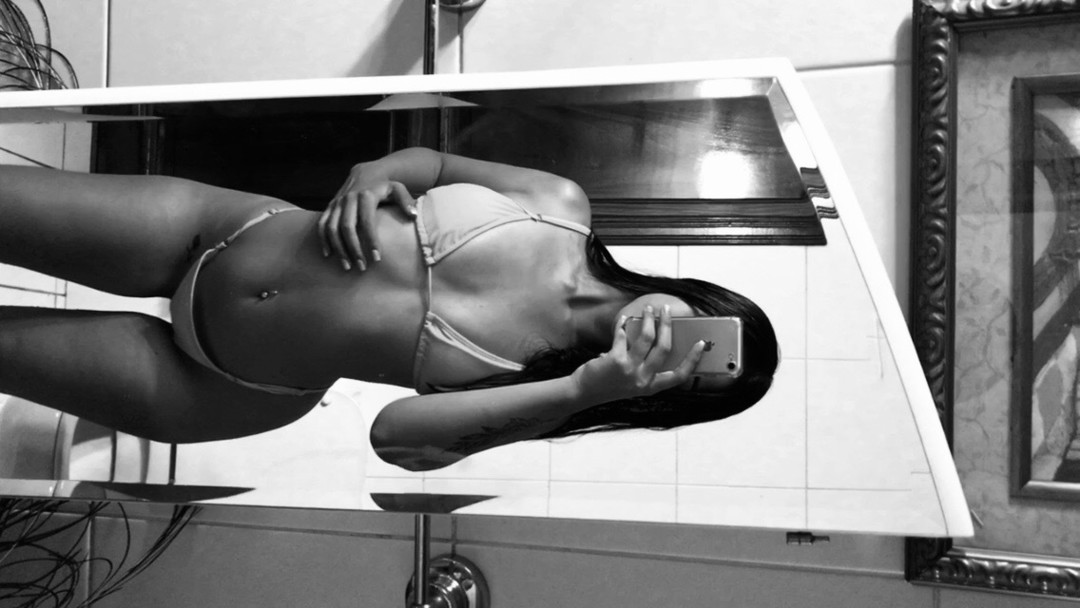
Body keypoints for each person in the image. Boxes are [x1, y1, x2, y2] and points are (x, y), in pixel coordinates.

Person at [0, 147, 778, 471]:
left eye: (688, 371)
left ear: (659, 397)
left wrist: (582, 391)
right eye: (701, 331)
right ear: (696, 296)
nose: (673, 345)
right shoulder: (559, 205)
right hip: (216, 228)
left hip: (222, 384)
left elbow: (395, 438)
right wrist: (374, 173)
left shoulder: (547, 393)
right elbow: (431, 162)